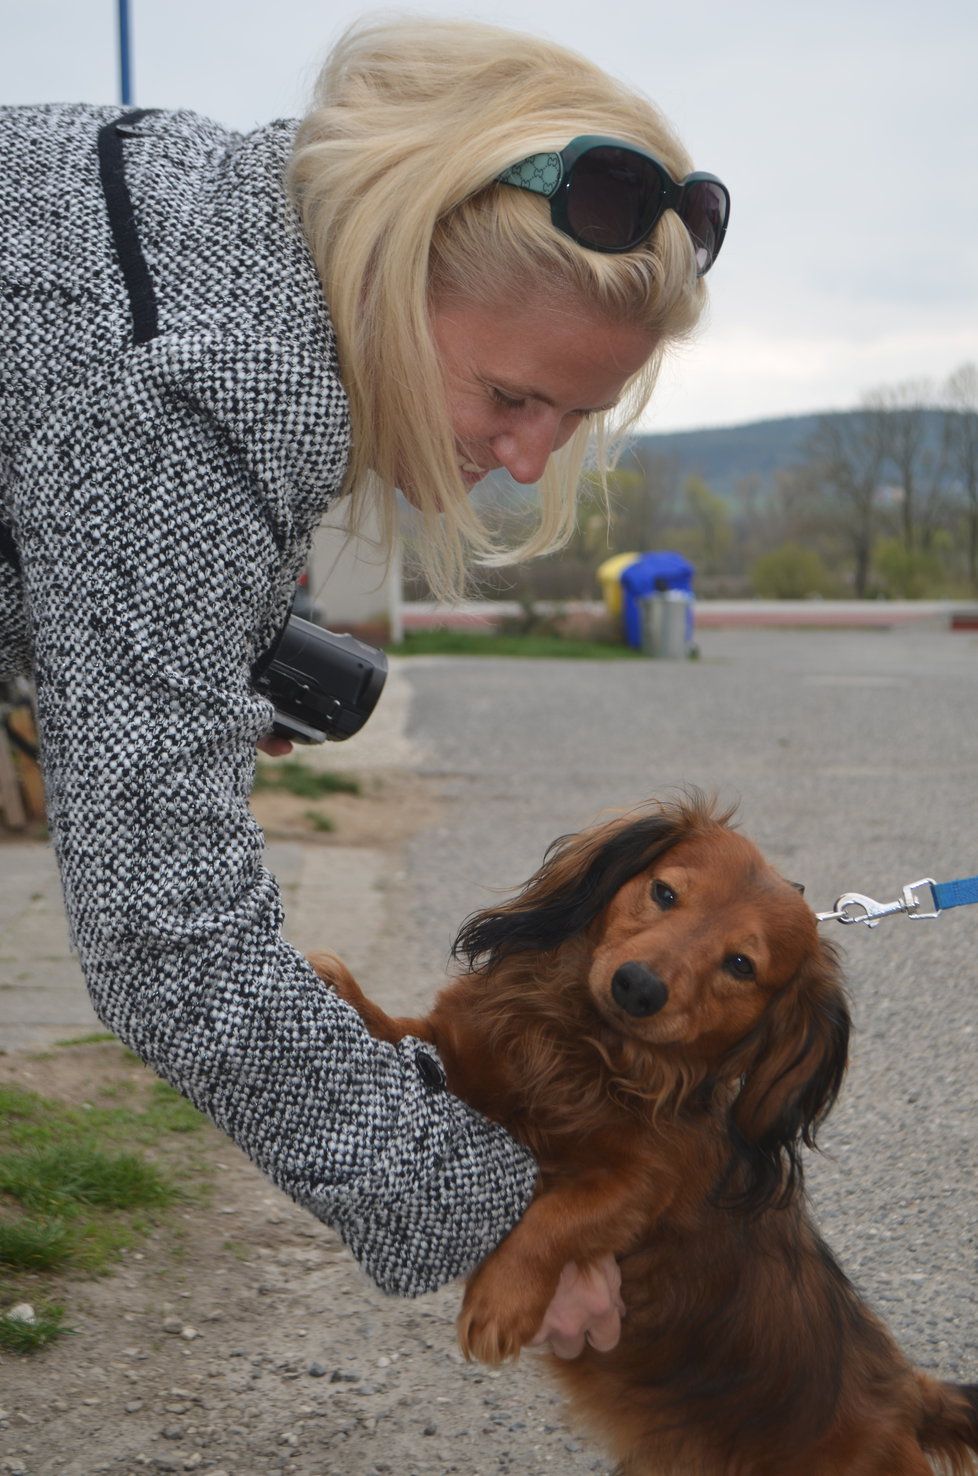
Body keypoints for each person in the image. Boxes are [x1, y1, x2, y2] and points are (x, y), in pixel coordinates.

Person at [0, 17, 726, 1356]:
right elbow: (168, 936)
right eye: (511, 395)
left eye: (570, 417)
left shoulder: (205, 214)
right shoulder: (205, 380)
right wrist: (490, 1215)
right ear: (396, 261)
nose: (524, 461)